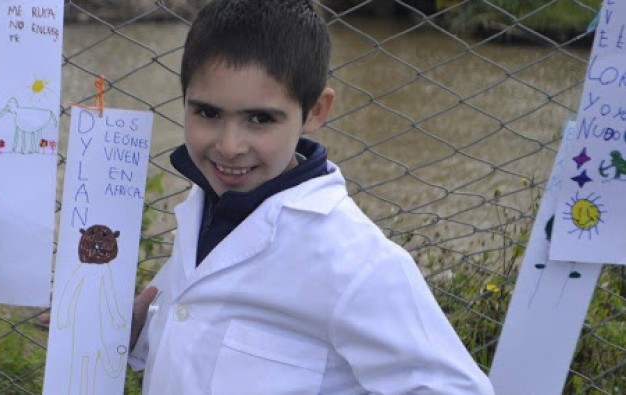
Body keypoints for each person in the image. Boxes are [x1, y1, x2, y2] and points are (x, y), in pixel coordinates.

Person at [125, 0, 496, 393]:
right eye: (208, 114)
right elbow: (202, 341)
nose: (230, 146)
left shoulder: (354, 262)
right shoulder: (205, 208)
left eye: (260, 119)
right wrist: (143, 330)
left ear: (316, 110)